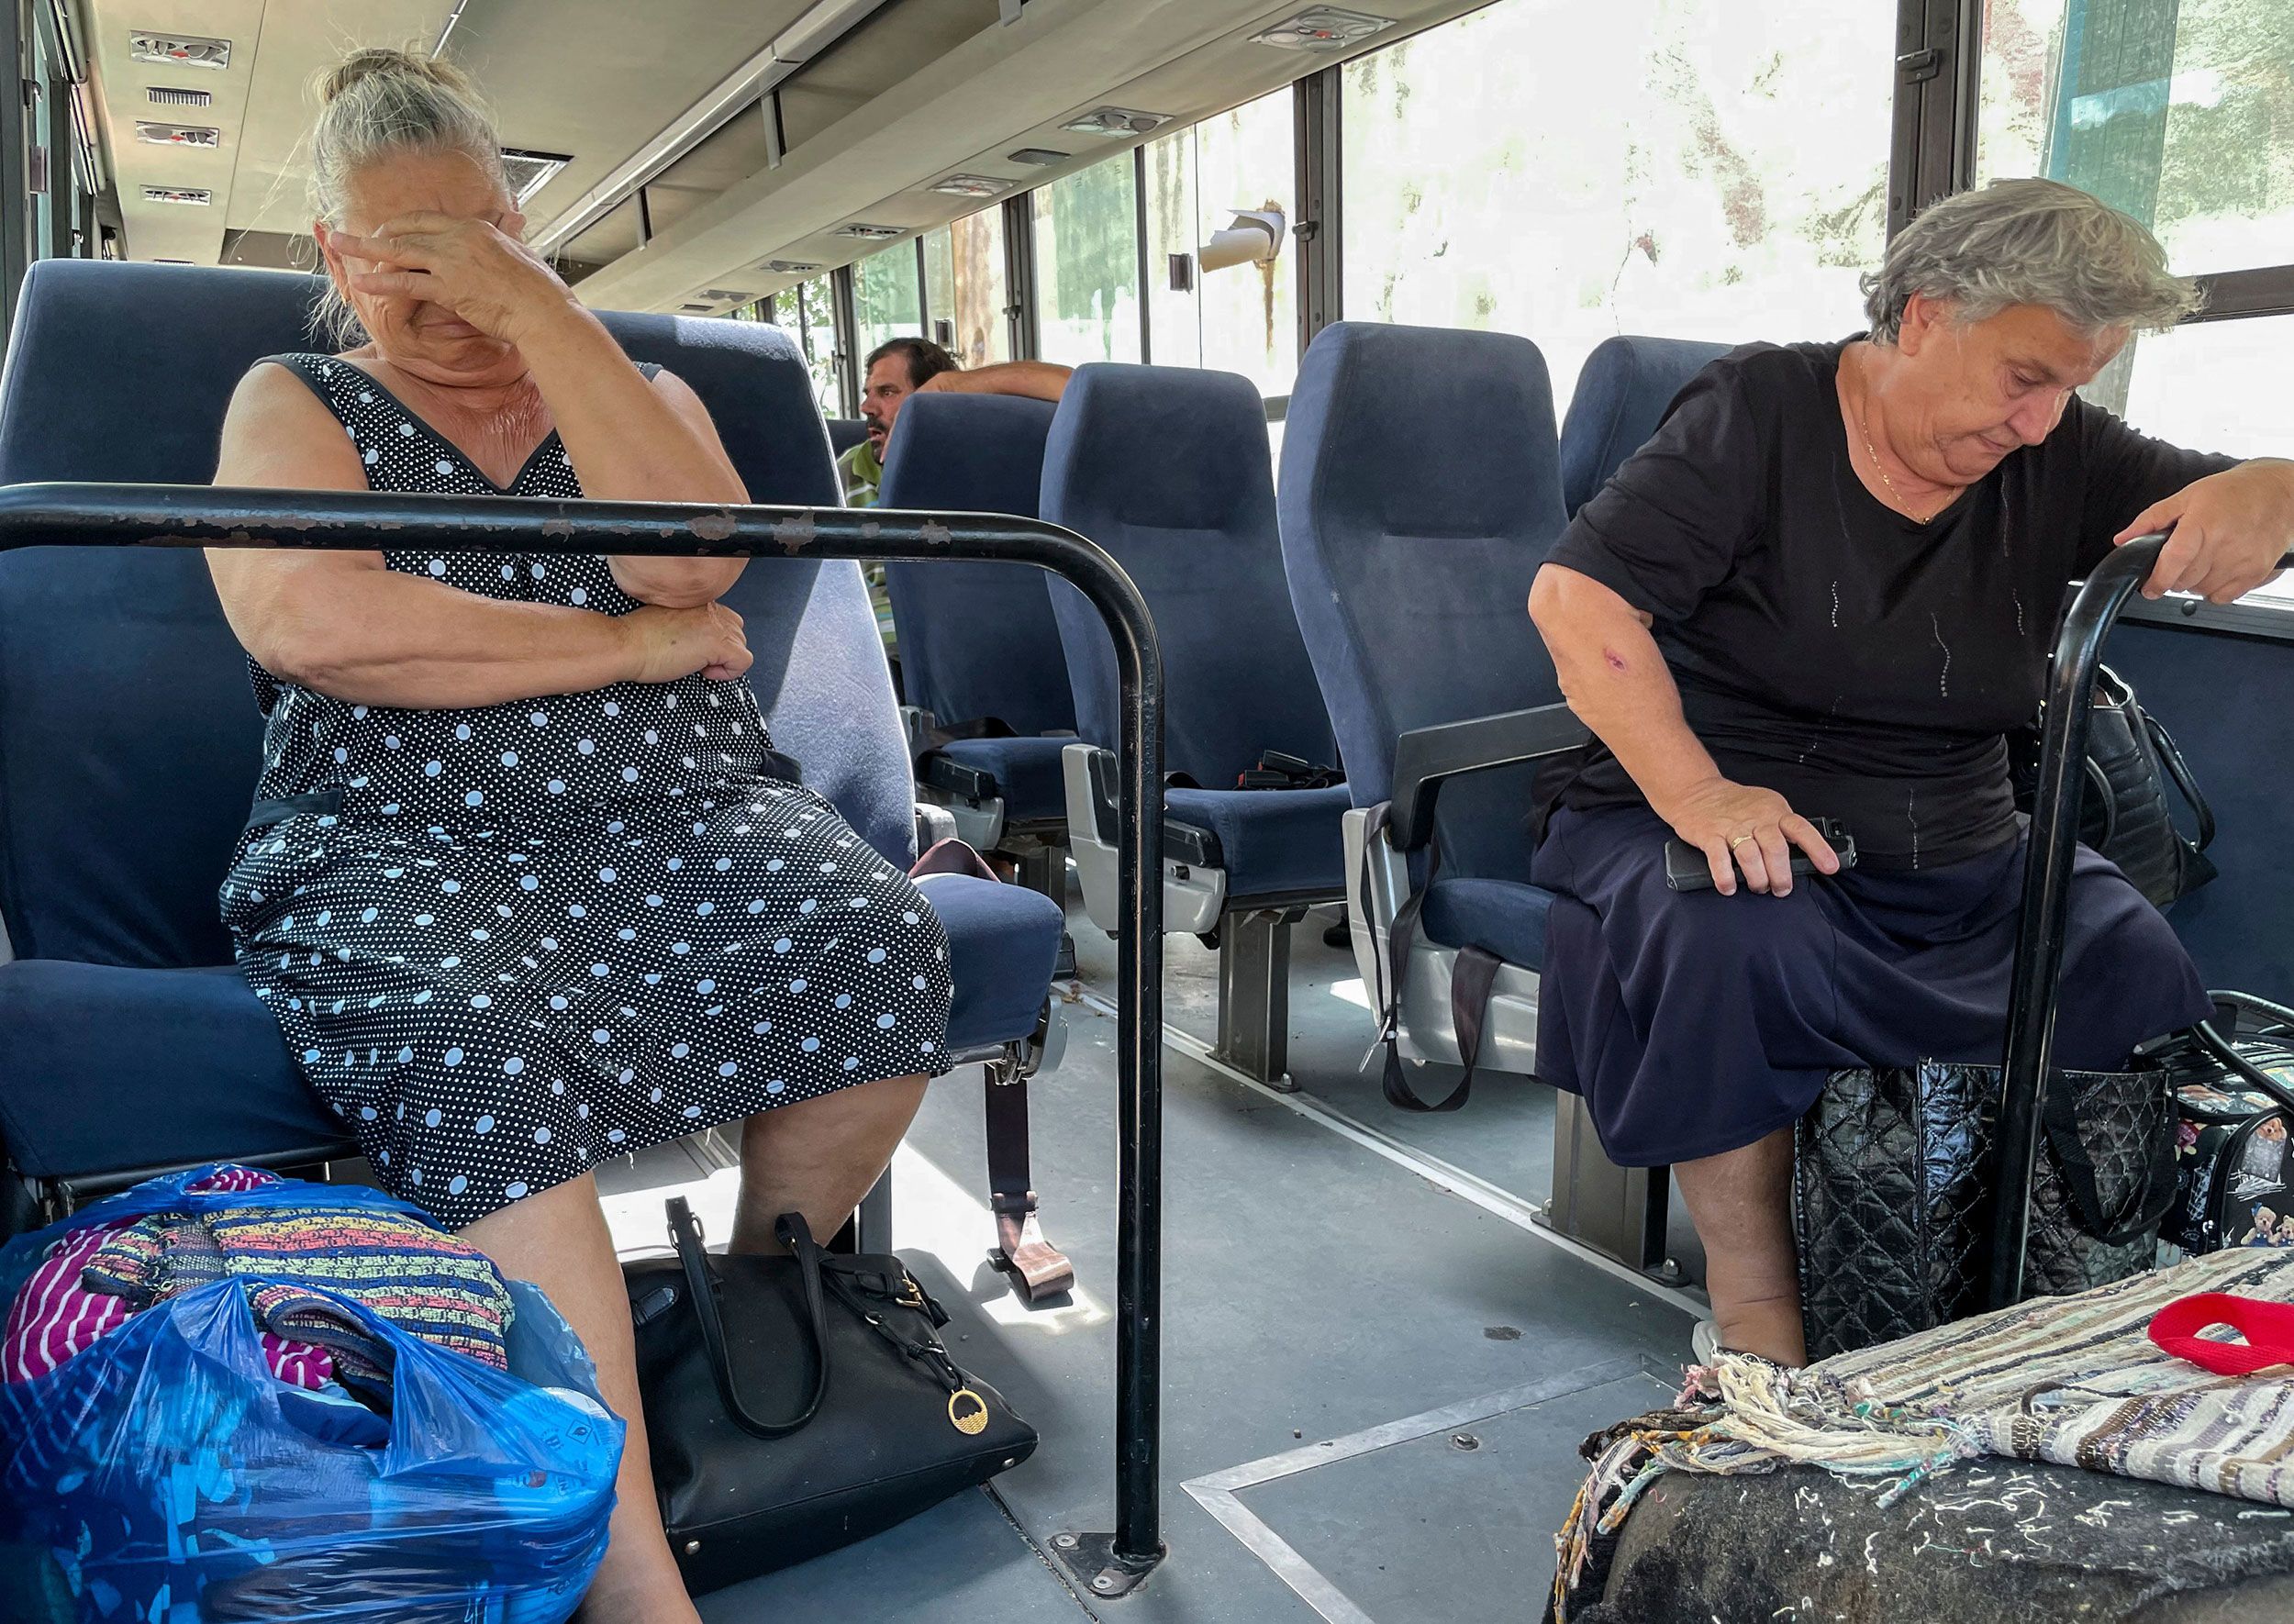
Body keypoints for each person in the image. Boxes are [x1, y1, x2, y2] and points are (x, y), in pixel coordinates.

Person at [205, 49, 952, 1624]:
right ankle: (632, 1582)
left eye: (479, 238)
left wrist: (537, 310)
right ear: (338, 260)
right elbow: (318, 623)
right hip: (398, 836)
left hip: (685, 808)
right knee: (484, 1033)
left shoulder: (632, 386)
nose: (451, 291)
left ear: (520, 220)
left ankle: (763, 1317)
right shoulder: (298, 400)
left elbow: (690, 560)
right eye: (407, 262)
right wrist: (619, 650)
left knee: (882, 940)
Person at [1526, 178, 2294, 1370]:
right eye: (2025, 377)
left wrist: (2274, 483)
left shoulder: (2061, 455)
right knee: (1739, 944)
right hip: (1717, 809)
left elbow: (2221, 502)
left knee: (2125, 953)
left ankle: (2050, 1274)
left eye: (2072, 388)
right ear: (1925, 315)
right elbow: (1576, 600)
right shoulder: (1761, 412)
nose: (2043, 421)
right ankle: (1759, 1319)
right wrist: (1698, 792)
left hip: (1956, 842)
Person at [838, 335, 1072, 509]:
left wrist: (947, 386)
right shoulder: (847, 471)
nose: (866, 407)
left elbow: (1077, 390)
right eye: (867, 393)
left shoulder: (987, 458)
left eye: (887, 392)